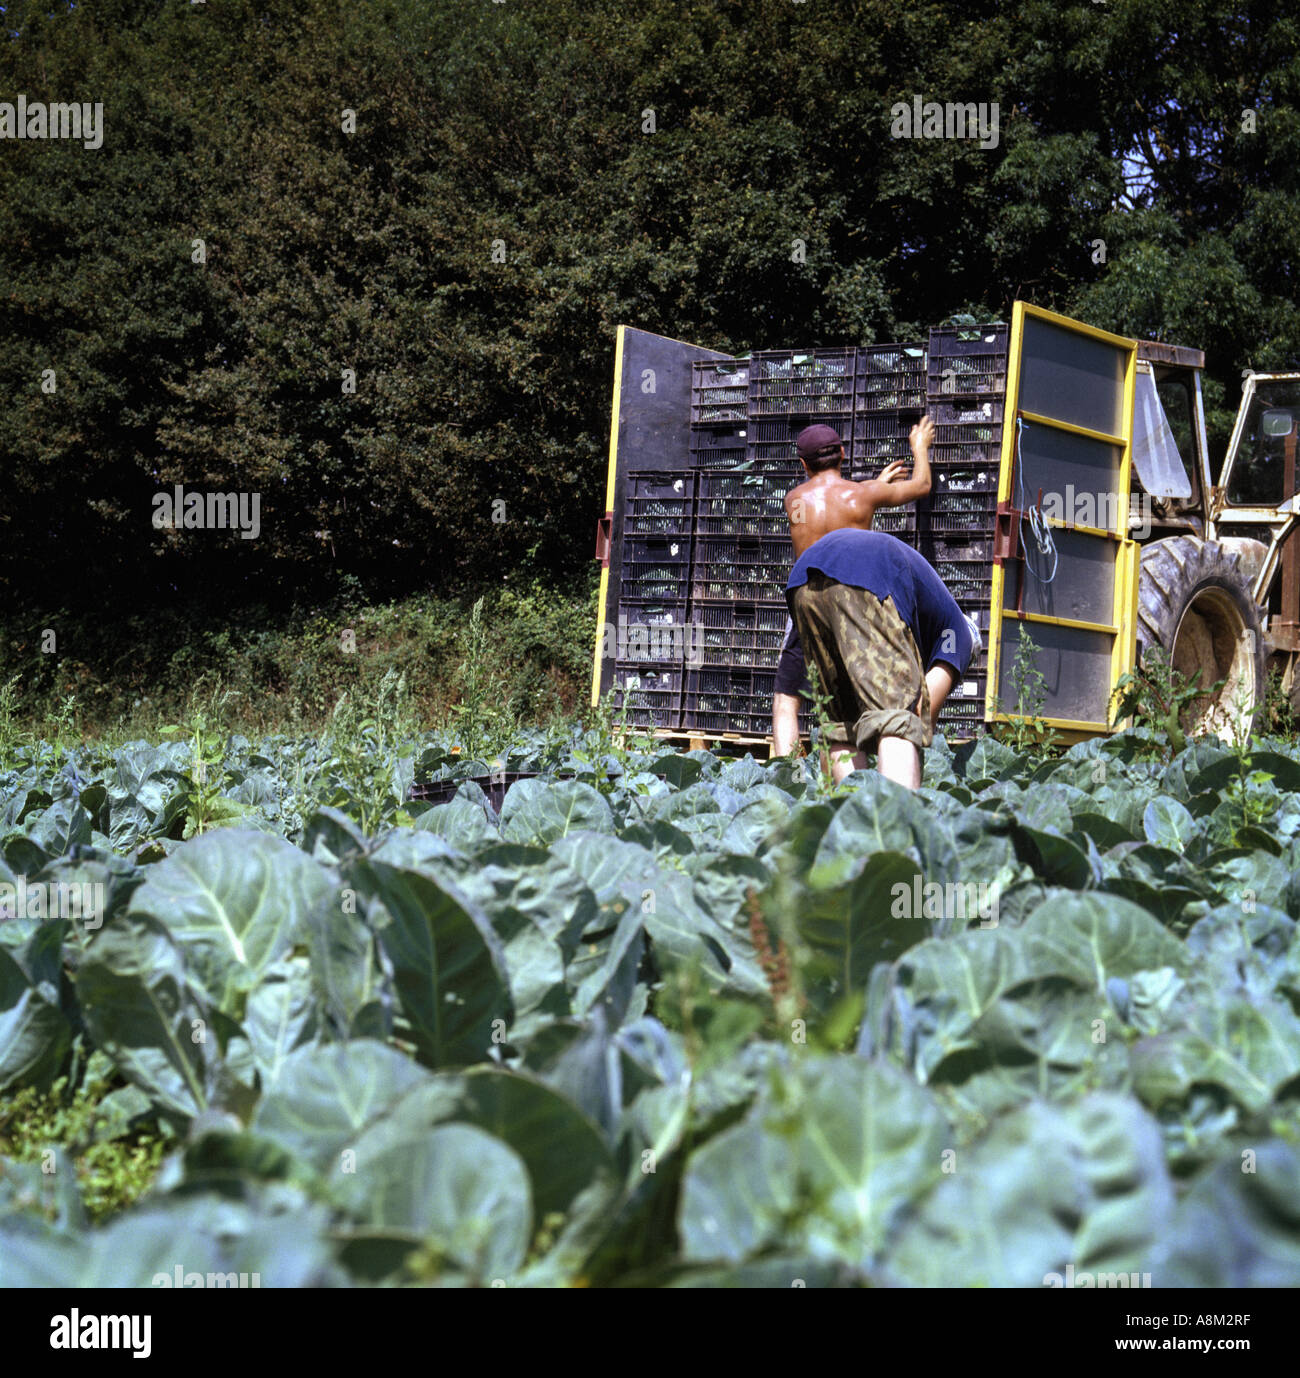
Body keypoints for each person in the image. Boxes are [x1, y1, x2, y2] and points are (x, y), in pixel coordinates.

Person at [772, 419, 933, 757]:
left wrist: (870, 487)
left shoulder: (793, 501)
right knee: (859, 693)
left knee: (787, 697)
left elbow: (828, 504)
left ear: (802, 464)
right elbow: (920, 485)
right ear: (843, 454)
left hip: (808, 598)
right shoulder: (862, 495)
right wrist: (919, 445)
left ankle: (787, 771)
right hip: (856, 599)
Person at [784, 524, 980, 788]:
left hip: (804, 581)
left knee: (842, 724)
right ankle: (893, 823)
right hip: (867, 576)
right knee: (897, 719)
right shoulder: (963, 638)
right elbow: (920, 712)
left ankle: (848, 813)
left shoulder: (931, 613)